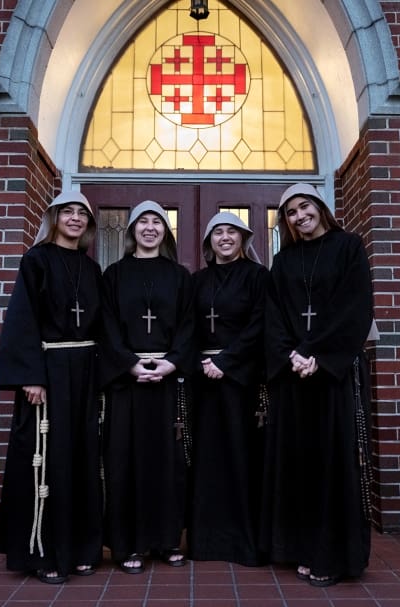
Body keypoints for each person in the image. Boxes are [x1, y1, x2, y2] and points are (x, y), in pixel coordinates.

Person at [261, 183, 375, 587]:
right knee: (297, 465)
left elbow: (355, 306)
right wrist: (291, 355)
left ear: (320, 207)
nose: (298, 216)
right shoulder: (284, 260)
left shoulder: (349, 247)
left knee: (332, 463)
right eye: (289, 212)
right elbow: (272, 315)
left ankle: (331, 555)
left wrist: (317, 356)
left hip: (332, 376)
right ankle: (297, 548)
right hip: (293, 378)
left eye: (304, 206)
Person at [0, 191, 104, 584]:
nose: (75, 218)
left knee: (82, 460)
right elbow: (23, 320)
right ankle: (43, 553)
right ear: (54, 218)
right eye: (68, 212)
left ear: (89, 225)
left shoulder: (92, 271)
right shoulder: (35, 260)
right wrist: (31, 376)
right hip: (48, 375)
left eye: (82, 214)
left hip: (86, 374)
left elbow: (102, 327)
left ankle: (81, 549)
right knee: (46, 463)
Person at [98, 200, 195, 574]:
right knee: (125, 461)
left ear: (165, 231)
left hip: (168, 384)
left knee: (168, 463)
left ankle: (168, 539)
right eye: (143, 222)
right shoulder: (114, 275)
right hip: (127, 384)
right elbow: (105, 326)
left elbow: (190, 325)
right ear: (132, 231)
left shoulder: (179, 276)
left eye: (157, 222)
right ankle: (128, 544)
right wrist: (130, 365)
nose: (150, 228)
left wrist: (171, 363)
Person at [187, 212, 269, 566]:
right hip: (203, 380)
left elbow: (259, 325)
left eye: (231, 232)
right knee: (206, 460)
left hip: (241, 379)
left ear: (243, 239)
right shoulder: (197, 281)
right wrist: (203, 364)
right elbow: (186, 326)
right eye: (217, 232)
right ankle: (206, 544)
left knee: (241, 456)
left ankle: (243, 544)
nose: (224, 238)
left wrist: (227, 362)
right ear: (208, 242)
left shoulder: (257, 277)